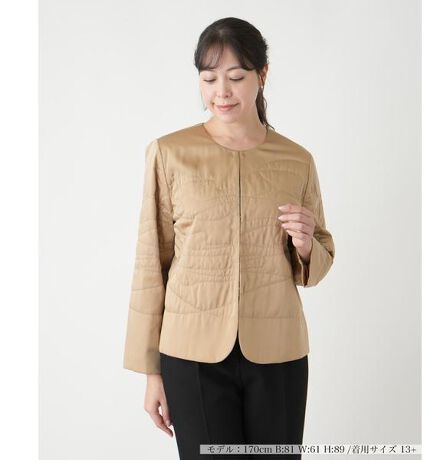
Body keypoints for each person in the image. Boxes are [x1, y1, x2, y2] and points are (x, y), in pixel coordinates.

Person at [123, 17, 335, 460]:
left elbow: (318, 262)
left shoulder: (296, 160)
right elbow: (151, 262)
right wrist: (151, 372)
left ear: (262, 75)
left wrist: (304, 245)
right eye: (209, 79)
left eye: (236, 77)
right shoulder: (170, 153)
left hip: (278, 354)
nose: (222, 91)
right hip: (191, 357)